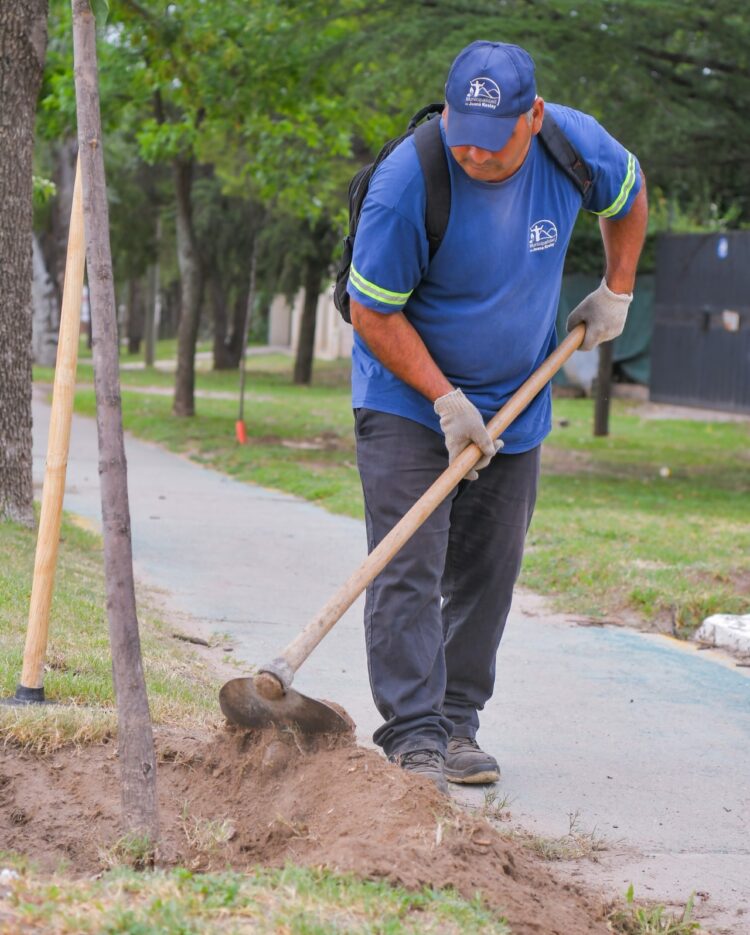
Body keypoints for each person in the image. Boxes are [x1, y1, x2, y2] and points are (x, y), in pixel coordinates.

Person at [347, 40, 647, 794]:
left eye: (493, 140)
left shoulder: (573, 146)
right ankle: (414, 734)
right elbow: (372, 312)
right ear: (447, 113)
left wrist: (617, 289)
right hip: (408, 398)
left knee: (488, 568)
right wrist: (446, 401)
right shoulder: (407, 181)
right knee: (409, 563)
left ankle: (456, 723)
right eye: (464, 136)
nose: (475, 154)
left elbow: (628, 191)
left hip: (519, 396)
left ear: (533, 116)